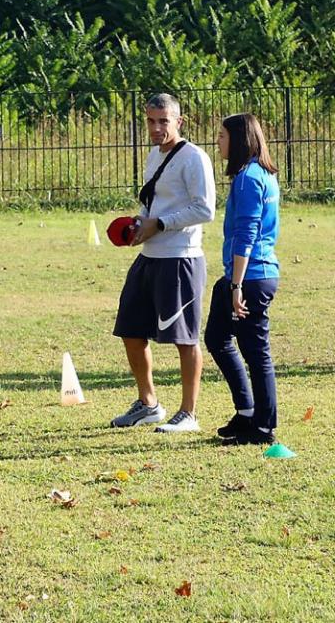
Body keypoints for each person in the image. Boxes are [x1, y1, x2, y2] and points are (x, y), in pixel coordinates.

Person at [110, 93, 216, 432]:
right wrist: (140, 224)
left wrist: (161, 223)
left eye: (163, 121)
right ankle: (148, 403)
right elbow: (155, 204)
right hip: (149, 257)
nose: (156, 128)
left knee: (185, 339)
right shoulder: (154, 155)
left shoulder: (194, 158)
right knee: (129, 330)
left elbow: (205, 209)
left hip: (180, 259)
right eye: (151, 121)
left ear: (179, 121)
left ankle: (189, 413)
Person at [207, 113, 281, 445]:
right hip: (246, 275)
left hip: (250, 277)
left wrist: (236, 285)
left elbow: (246, 233)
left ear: (239, 139)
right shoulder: (260, 173)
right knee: (216, 337)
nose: (218, 142)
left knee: (256, 353)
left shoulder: (249, 178)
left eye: (222, 136)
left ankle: (263, 427)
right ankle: (247, 412)